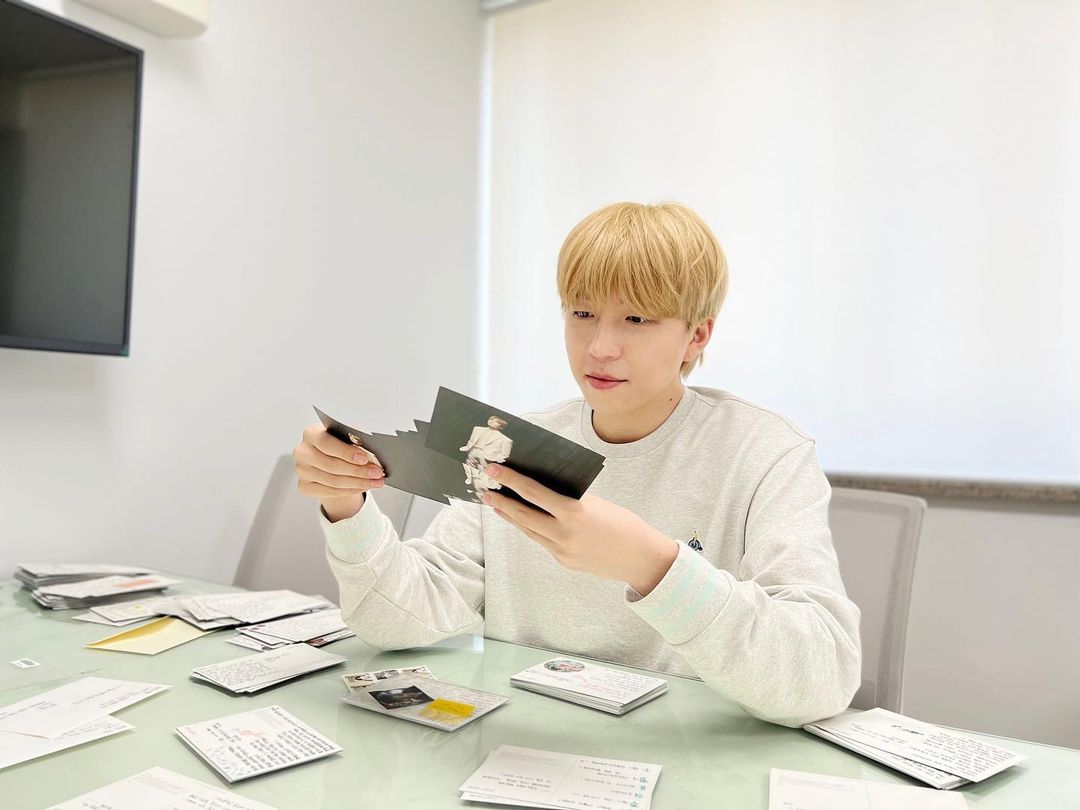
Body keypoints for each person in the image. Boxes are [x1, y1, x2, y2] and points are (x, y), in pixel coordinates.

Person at [291, 202, 861, 728]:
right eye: (582, 313)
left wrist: (651, 564)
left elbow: (822, 678)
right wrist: (346, 506)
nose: (600, 347)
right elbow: (395, 620)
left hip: (688, 758)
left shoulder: (764, 452)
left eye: (637, 319)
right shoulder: (511, 444)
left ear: (697, 335)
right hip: (525, 749)